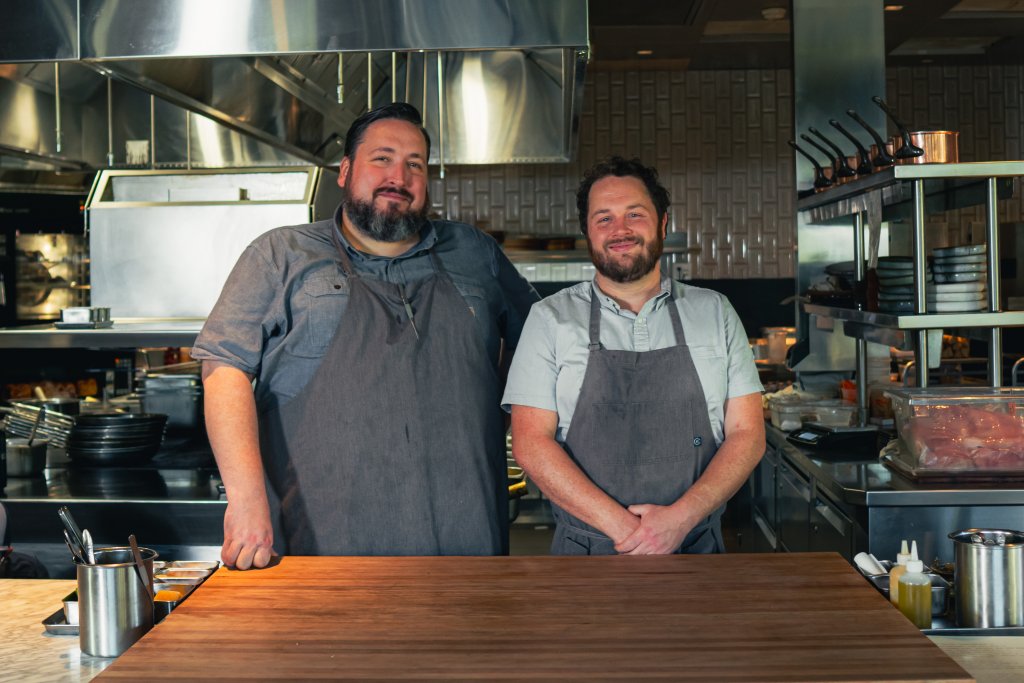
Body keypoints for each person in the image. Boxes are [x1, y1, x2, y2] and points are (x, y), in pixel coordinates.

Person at [192, 102, 539, 568]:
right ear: (345, 170)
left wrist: (503, 414)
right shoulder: (280, 254)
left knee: (469, 638)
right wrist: (246, 497)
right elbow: (224, 367)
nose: (399, 175)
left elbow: (538, 342)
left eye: (415, 164)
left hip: (466, 531)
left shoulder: (474, 251)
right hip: (321, 535)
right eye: (382, 158)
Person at [503, 157, 765, 556]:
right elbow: (529, 442)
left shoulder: (715, 312)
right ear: (587, 232)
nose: (620, 230)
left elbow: (747, 435)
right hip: (584, 557)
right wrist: (631, 532)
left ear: (662, 223)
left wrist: (679, 520)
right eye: (603, 218)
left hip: (696, 553)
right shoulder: (549, 319)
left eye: (634, 215)